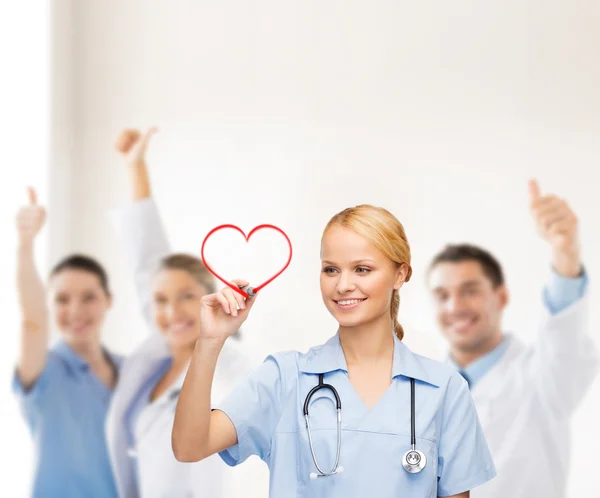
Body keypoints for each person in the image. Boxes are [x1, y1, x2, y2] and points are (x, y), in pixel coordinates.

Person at [172, 203, 497, 498]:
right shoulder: (285, 378)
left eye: (362, 269)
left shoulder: (443, 389)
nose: (342, 285)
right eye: (331, 269)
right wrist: (210, 342)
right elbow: (189, 447)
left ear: (400, 274)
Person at [106, 128, 256, 498]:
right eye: (160, 300)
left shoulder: (233, 374)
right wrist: (135, 166)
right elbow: (147, 261)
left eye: (187, 296)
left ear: (209, 297)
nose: (171, 311)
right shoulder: (157, 358)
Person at [427, 179, 599, 497]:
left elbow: (565, 338)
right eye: (442, 295)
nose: (455, 307)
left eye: (470, 291)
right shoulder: (419, 390)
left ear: (501, 297)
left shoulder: (543, 377)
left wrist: (566, 254)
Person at [12, 187, 122, 497]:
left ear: (108, 301)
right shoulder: (46, 370)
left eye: (89, 297)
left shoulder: (130, 370)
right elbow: (32, 320)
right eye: (62, 299)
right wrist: (25, 244)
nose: (75, 311)